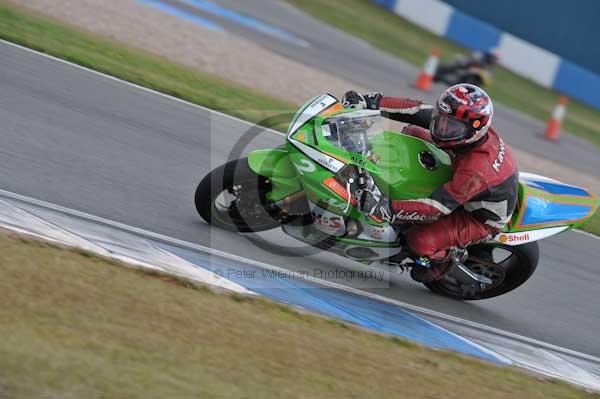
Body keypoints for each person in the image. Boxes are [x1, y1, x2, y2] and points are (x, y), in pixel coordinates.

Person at [341, 84, 518, 283]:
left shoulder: (476, 170)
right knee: (412, 133)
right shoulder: (464, 130)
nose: (442, 128)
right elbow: (417, 110)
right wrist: (369, 102)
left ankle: (444, 261)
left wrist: (384, 207)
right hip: (459, 171)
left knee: (419, 241)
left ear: (474, 130)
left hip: (478, 217)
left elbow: (436, 208)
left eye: (450, 127)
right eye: (441, 119)